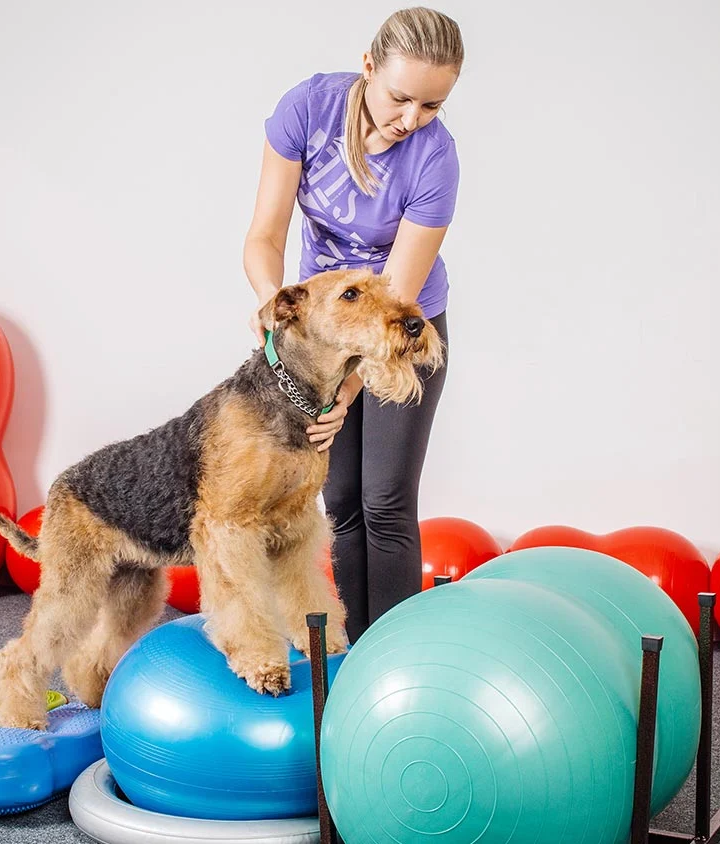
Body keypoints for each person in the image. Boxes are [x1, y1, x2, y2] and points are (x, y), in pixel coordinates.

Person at [242, 7, 464, 643]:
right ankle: (352, 649)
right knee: (338, 502)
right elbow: (264, 236)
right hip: (324, 327)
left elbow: (395, 299)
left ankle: (393, 657)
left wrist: (345, 392)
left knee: (384, 500)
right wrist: (277, 307)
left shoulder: (435, 159)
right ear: (368, 66)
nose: (411, 119)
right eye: (400, 98)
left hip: (400, 330)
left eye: (431, 105)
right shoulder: (307, 110)